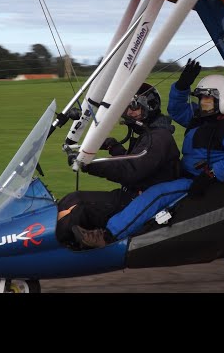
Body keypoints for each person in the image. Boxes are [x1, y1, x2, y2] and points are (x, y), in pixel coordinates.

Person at [71, 60, 224, 249]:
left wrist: (211, 174)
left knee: (158, 194)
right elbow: (176, 109)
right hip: (189, 175)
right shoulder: (202, 118)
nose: (202, 104)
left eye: (207, 100)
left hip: (204, 182)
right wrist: (182, 86)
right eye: (200, 99)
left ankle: (108, 235)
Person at [56, 83, 180, 245]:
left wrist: (88, 164)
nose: (129, 113)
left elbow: (131, 171)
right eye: (126, 107)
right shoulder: (149, 134)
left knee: (75, 204)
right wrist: (114, 147)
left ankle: (63, 251)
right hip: (133, 193)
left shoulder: (158, 138)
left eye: (134, 107)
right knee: (71, 199)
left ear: (150, 106)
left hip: (140, 201)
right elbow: (135, 164)